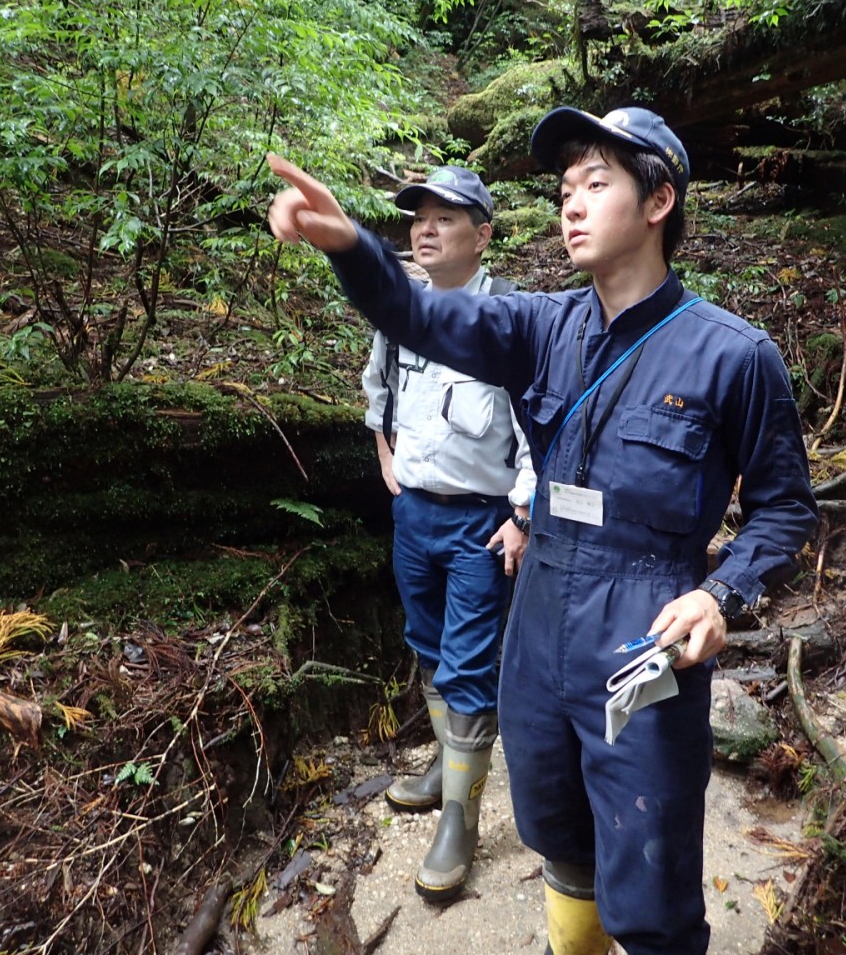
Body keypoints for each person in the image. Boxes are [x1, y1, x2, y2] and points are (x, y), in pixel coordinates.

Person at [266, 105, 818, 955]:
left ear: (660, 199)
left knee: (650, 868)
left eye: (596, 184)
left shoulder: (733, 356)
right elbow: (423, 318)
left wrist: (721, 596)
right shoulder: (540, 328)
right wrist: (350, 245)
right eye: (565, 189)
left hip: (644, 630)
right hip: (539, 618)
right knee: (557, 830)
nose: (571, 204)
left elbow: (785, 510)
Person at [358, 165, 536, 902]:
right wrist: (387, 463)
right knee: (427, 645)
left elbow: (538, 432)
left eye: (444, 218)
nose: (423, 230)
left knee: (466, 661)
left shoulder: (511, 323)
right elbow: (378, 392)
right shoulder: (399, 314)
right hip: (414, 515)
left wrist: (523, 515)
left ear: (483, 235)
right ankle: (444, 766)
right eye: (416, 218)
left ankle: (459, 819)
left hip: (480, 523)